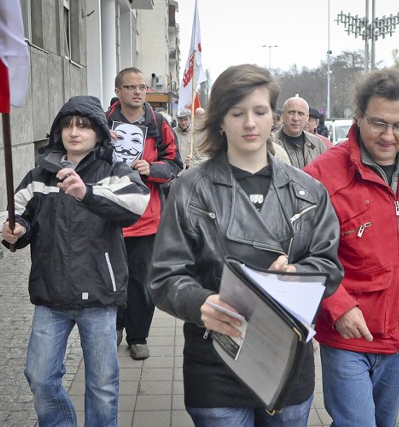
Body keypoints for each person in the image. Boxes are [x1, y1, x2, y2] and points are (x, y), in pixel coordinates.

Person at [147, 63, 344, 427]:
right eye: (237, 113)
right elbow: (164, 276)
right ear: (220, 121)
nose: (249, 123)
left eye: (259, 111)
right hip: (216, 359)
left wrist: (296, 273)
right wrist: (200, 301)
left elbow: (330, 267)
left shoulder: (309, 191)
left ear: (274, 118)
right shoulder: (190, 188)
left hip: (287, 358)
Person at [303, 68, 399, 426]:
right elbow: (304, 251)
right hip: (347, 333)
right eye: (378, 123)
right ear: (358, 115)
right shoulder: (322, 174)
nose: (389, 136)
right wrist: (338, 306)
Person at [0, 95, 150, 426]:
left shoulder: (115, 171)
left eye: (83, 125)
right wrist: (14, 230)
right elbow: (18, 216)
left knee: (102, 385)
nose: (74, 131)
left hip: (98, 295)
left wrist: (87, 193)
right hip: (51, 295)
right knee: (40, 378)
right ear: (58, 132)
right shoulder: (40, 175)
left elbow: (135, 206)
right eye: (67, 125)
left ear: (97, 132)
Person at [108, 67, 183, 360]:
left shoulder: (158, 123)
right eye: (131, 87)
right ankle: (113, 327)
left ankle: (138, 337)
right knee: (111, 279)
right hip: (110, 219)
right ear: (118, 91)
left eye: (142, 87)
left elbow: (175, 165)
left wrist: (151, 169)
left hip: (146, 221)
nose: (138, 92)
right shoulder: (101, 123)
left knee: (142, 282)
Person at [275, 95, 328, 168]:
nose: (296, 118)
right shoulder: (271, 144)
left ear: (307, 117)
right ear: (282, 114)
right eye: (291, 112)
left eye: (301, 114)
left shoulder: (317, 144)